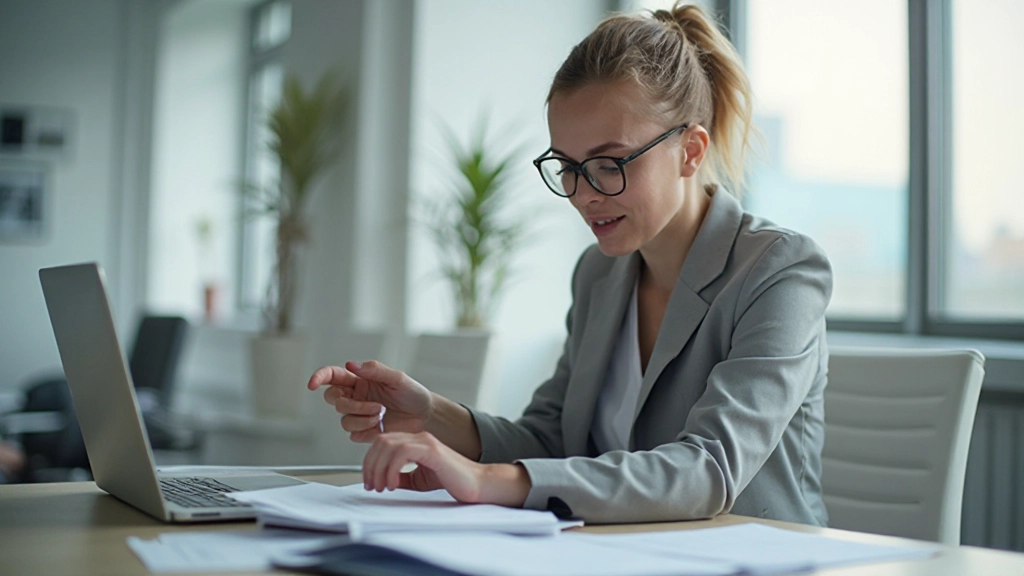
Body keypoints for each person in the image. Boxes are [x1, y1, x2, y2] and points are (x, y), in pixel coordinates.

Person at [308, 2, 832, 526]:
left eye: (609, 164)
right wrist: (433, 416)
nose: (583, 195)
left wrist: (491, 481)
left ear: (690, 151)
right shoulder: (599, 274)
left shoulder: (779, 271)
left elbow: (709, 468)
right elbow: (553, 437)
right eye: (568, 167)